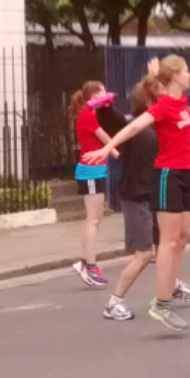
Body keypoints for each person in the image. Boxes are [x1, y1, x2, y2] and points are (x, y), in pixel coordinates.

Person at [82, 56, 190, 331]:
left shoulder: (179, 101)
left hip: (185, 173)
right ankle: (159, 302)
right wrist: (107, 149)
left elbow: (165, 89)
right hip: (164, 176)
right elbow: (130, 126)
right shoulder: (163, 108)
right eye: (187, 71)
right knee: (159, 247)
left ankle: (171, 286)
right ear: (177, 76)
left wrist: (158, 75)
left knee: (180, 239)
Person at [70, 82, 116, 288]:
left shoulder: (94, 114)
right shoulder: (88, 115)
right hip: (90, 171)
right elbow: (107, 141)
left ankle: (86, 262)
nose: (106, 94)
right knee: (92, 220)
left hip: (97, 170)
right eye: (103, 91)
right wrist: (120, 153)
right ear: (96, 95)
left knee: (96, 218)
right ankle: (89, 265)